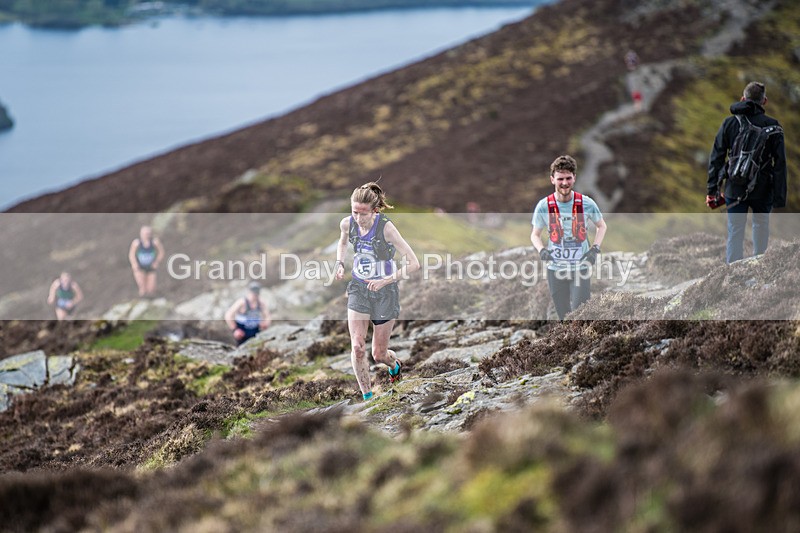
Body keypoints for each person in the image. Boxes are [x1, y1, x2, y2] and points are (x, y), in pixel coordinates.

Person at [334, 182, 420, 401]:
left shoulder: (386, 228)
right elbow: (343, 243)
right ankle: (367, 397)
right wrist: (339, 263)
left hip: (385, 292)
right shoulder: (347, 224)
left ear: (374, 210)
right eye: (354, 212)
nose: (358, 218)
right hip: (359, 288)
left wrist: (385, 281)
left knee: (378, 354)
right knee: (357, 346)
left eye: (363, 214)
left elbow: (413, 263)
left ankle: (395, 365)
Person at [707, 81, 787, 263]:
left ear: (743, 99)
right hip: (763, 188)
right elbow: (780, 163)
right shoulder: (774, 127)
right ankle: (760, 269)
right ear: (764, 101)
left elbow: (716, 158)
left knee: (735, 230)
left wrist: (712, 190)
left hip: (734, 187)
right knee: (761, 226)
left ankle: (733, 276)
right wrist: (779, 197)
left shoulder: (729, 123)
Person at [531, 155, 607, 320]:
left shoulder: (586, 203)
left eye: (568, 178)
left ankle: (584, 343)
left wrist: (595, 249)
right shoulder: (544, 206)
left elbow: (602, 226)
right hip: (555, 269)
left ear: (574, 178)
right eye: (560, 179)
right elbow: (535, 235)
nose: (564, 183)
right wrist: (542, 250)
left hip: (581, 267)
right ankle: (570, 343)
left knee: (581, 312)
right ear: (552, 179)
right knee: (563, 315)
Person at [128, 225, 165, 297]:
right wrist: (134, 264)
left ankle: (151, 302)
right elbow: (131, 254)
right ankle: (142, 301)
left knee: (151, 289)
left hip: (151, 266)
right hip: (140, 266)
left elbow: (161, 252)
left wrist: (157, 262)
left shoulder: (154, 242)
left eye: (148, 233)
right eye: (145, 233)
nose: (146, 235)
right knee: (142, 287)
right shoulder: (137, 243)